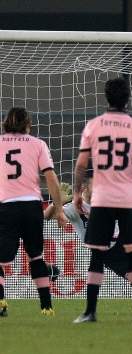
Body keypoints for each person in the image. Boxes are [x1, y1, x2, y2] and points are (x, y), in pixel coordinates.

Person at [72, 77, 132, 323]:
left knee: (97, 255)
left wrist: (77, 193)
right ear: (128, 98)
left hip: (101, 198)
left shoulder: (94, 125)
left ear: (106, 97)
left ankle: (90, 312)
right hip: (129, 198)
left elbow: (81, 164)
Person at [0, 107, 66, 317]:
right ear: (28, 124)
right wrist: (59, 209)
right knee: (36, 257)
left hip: (6, 207)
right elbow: (51, 177)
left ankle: (1, 301)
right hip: (31, 207)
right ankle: (46, 307)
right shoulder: (38, 144)